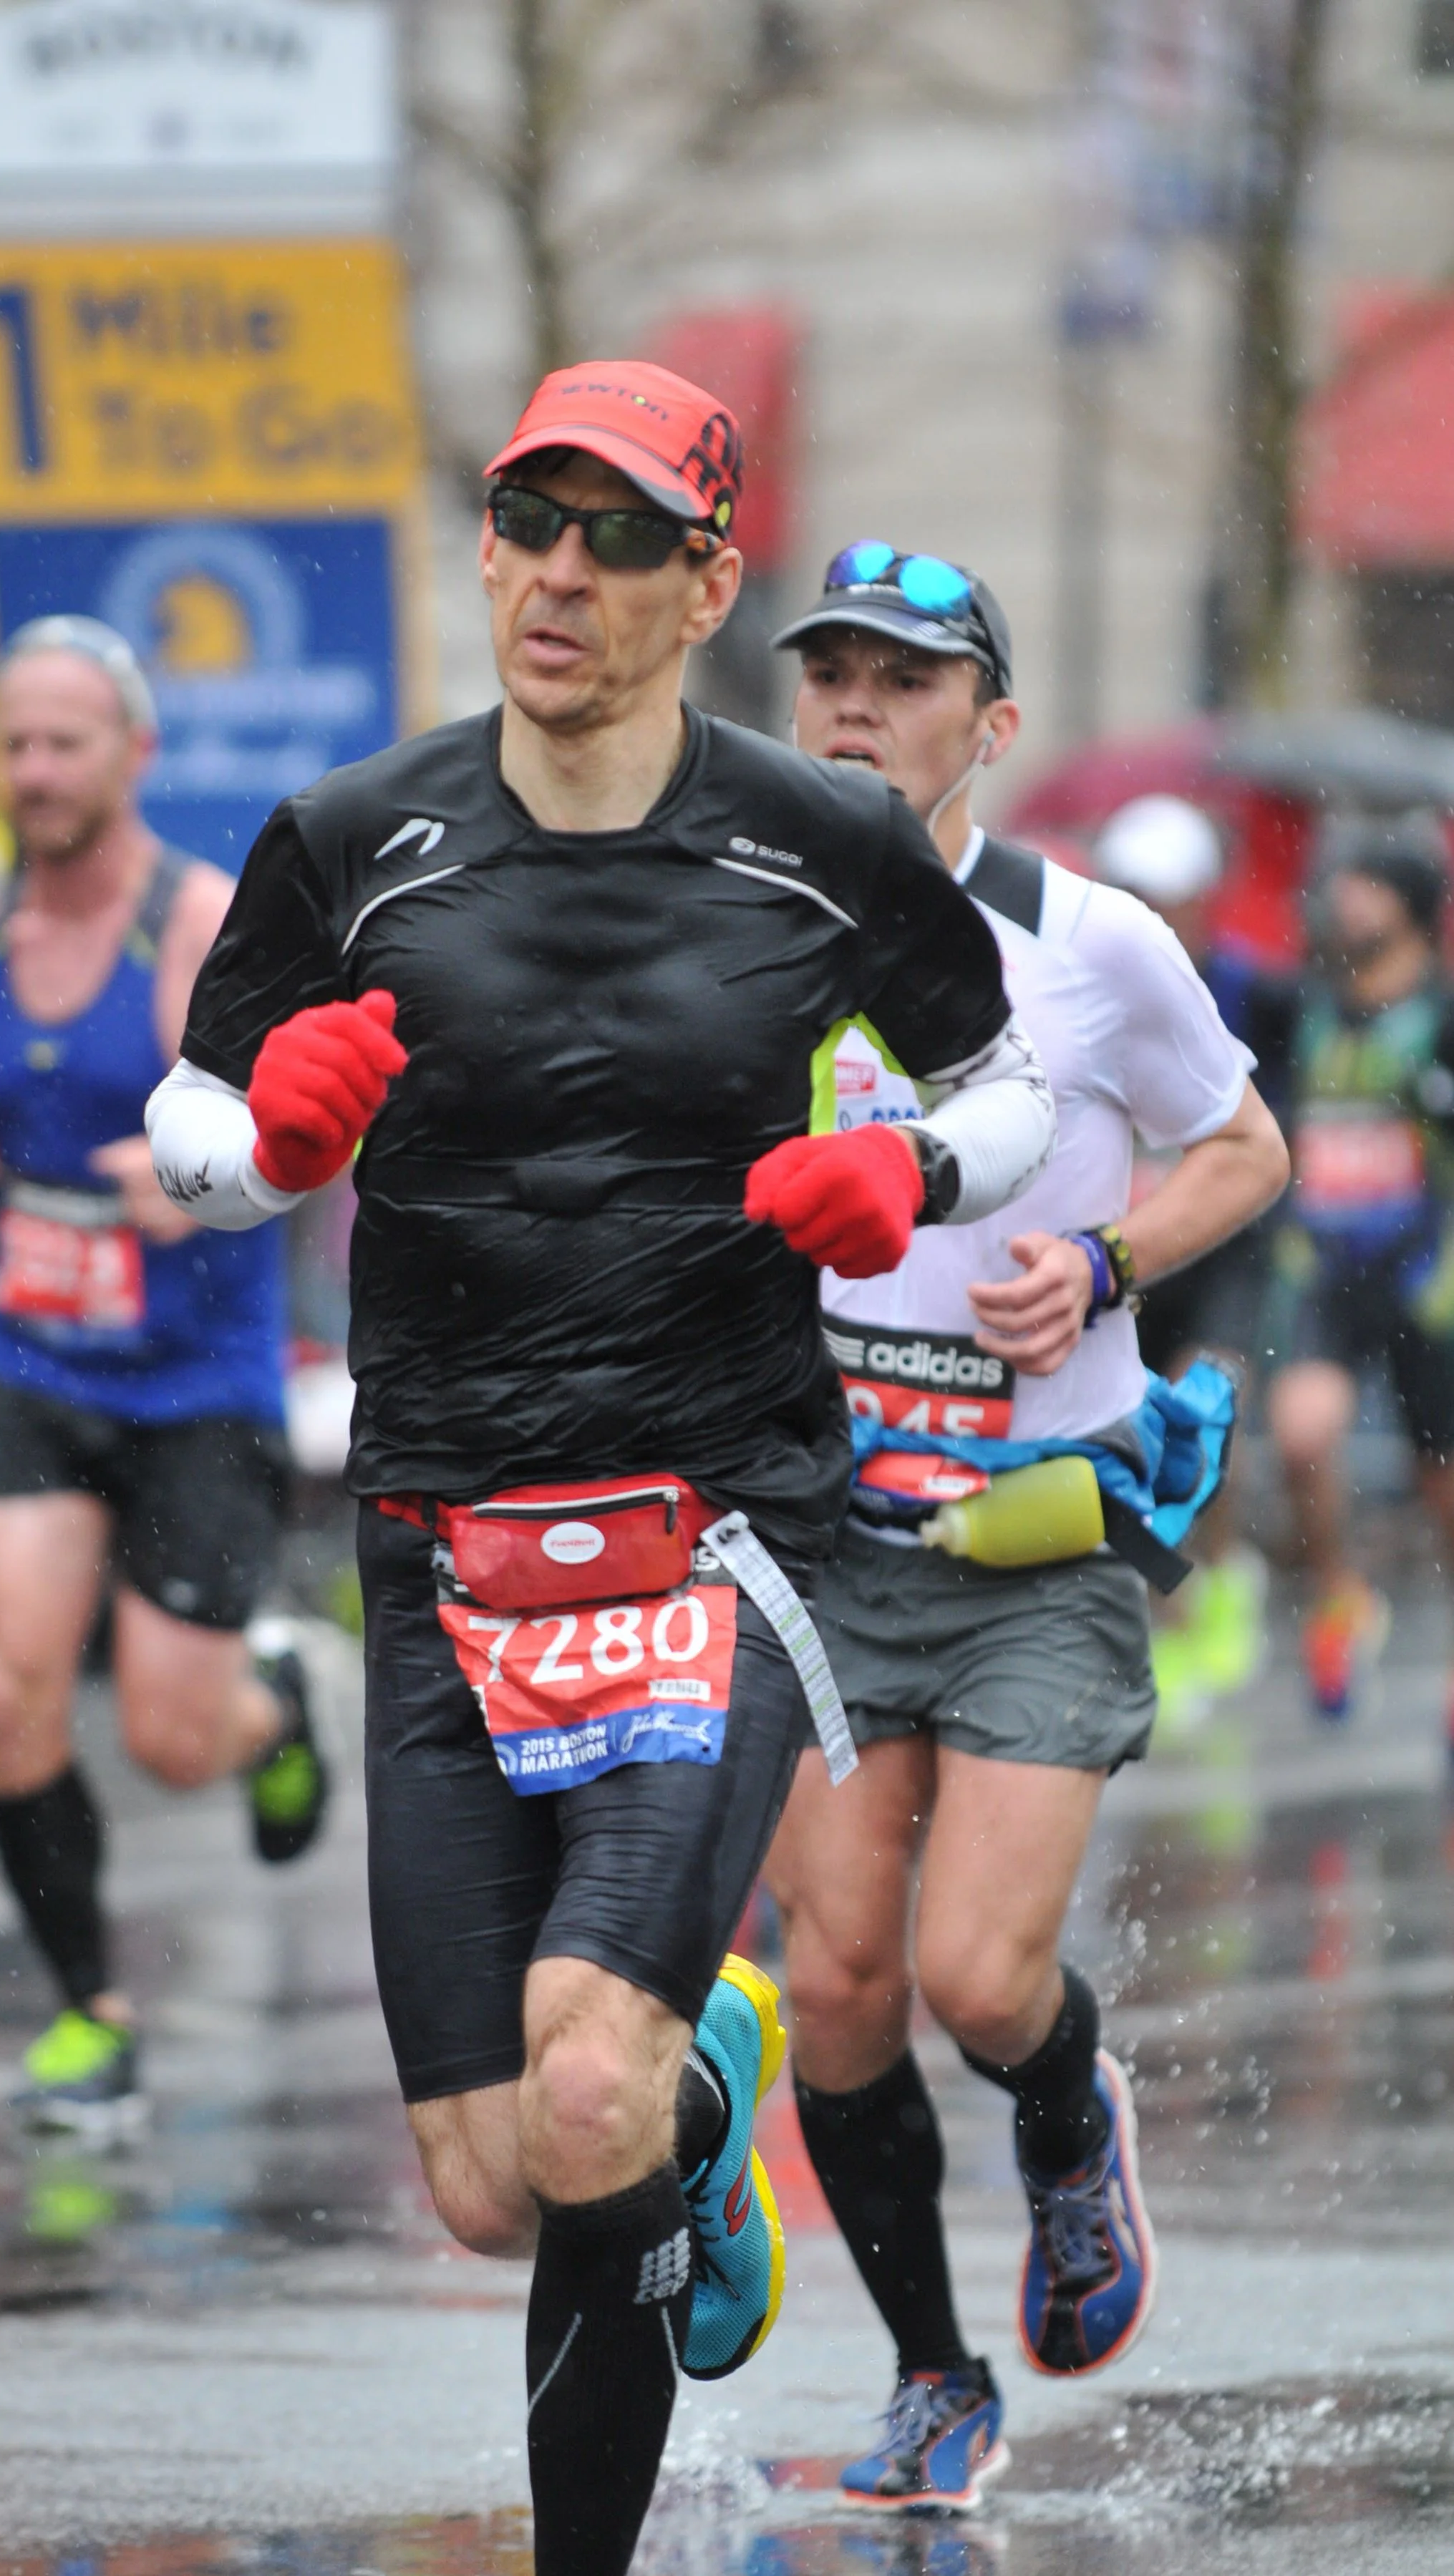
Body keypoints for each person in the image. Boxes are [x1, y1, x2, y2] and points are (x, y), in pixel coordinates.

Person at [145, 363, 1057, 2576]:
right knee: (492, 2173)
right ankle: (695, 2109)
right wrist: (267, 1137)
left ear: (703, 583)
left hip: (715, 1523)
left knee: (575, 2091)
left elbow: (1006, 1071)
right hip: (432, 1536)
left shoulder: (814, 837)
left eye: (618, 536)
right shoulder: (356, 836)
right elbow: (181, 1131)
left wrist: (907, 1162)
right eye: (525, 522)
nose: (558, 573)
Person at [762, 543, 1288, 2512]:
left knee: (977, 1974)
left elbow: (1237, 1145)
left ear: (984, 726)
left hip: (1030, 1540)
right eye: (824, 671)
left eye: (898, 679)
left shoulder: (1095, 943)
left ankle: (1066, 2133)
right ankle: (926, 2373)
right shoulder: (743, 930)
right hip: (826, 1544)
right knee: (833, 1984)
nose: (848, 706)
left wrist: (1095, 1250)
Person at [0, 616, 326, 2137]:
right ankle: (94, 2016)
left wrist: (200, 1180)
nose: (34, 770)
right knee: (14, 1687)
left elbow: (292, 1139)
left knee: (169, 1733)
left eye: (64, 742)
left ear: (131, 755)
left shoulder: (196, 926)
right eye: (15, 744)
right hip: (31, 1364)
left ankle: (268, 1711)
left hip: (192, 1383)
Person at [1092, 794, 1295, 1726]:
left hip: (1221, 1245)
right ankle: (1163, 1610)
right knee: (1129, 1430)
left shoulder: (1258, 992)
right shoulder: (1077, 986)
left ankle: (1215, 1576)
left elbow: (1273, 1136)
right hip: (1126, 1249)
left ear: (1203, 900)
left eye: (1165, 897)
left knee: (1201, 1404)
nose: (1149, 914)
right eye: (1131, 893)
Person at [1264, 818, 1454, 1729]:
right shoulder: (1307, 1008)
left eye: (1369, 884)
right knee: (1302, 1433)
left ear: (1414, 908)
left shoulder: (1443, 1021)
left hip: (1430, 1286)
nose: (1346, 899)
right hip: (1330, 1275)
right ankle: (1345, 1597)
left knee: (1443, 1490)